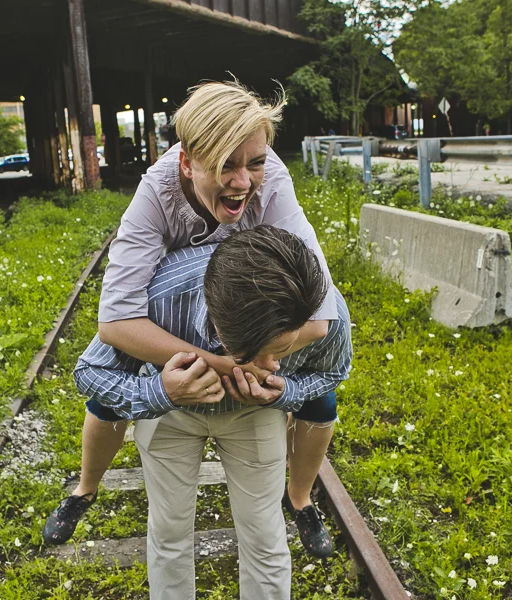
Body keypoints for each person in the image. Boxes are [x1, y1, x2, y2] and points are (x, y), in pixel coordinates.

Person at [42, 80, 342, 557]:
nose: (243, 181)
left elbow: (321, 309)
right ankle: (86, 488)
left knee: (320, 399)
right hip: (175, 305)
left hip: (248, 309)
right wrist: (218, 365)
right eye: (226, 164)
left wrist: (258, 360)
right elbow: (116, 321)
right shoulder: (155, 195)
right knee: (111, 393)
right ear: (187, 160)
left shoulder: (273, 182)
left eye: (256, 163)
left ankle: (300, 498)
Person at [73, 227, 353, 599]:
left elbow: (335, 370)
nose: (272, 365)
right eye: (258, 354)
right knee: (168, 532)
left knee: (265, 536)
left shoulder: (324, 309)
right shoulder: (160, 293)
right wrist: (159, 391)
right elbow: (89, 371)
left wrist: (287, 393)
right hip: (171, 412)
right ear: (218, 326)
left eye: (284, 351)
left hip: (254, 415)